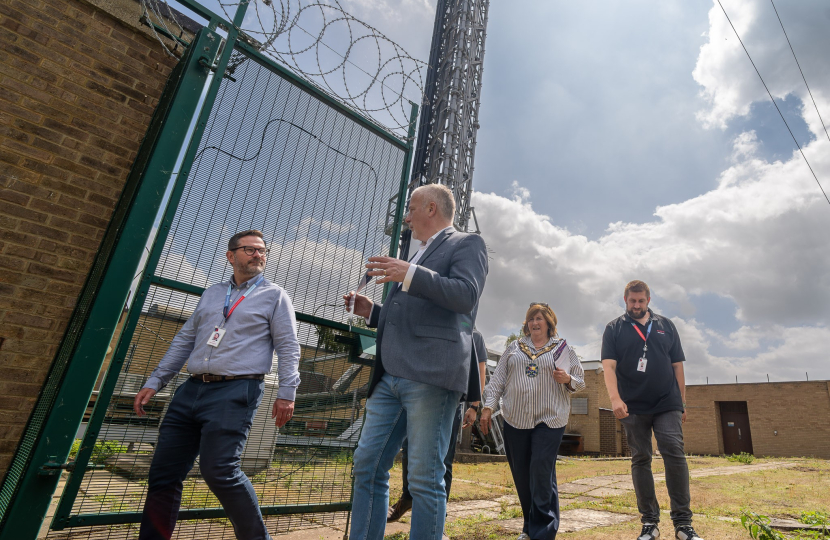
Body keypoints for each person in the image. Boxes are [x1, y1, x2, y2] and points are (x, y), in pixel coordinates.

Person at [133, 230, 301, 540]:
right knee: (163, 473)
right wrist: (156, 380)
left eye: (262, 251)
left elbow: (289, 346)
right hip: (191, 389)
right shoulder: (212, 293)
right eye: (250, 250)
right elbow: (185, 339)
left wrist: (287, 393)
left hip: (237, 390)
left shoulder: (275, 295)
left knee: (220, 471)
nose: (258, 255)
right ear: (231, 255)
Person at [344, 184, 488, 540]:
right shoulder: (417, 254)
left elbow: (465, 295)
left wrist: (409, 273)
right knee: (367, 465)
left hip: (431, 377)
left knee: (423, 478)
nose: (405, 217)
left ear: (431, 208)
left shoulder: (467, 244)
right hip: (390, 376)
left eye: (410, 208)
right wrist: (372, 311)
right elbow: (413, 313)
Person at [600, 280, 703, 540]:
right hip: (632, 405)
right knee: (641, 458)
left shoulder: (666, 325)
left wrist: (682, 402)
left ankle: (683, 524)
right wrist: (615, 399)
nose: (636, 305)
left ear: (648, 300)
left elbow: (677, 366)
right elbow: (609, 367)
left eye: (641, 301)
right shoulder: (614, 328)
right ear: (625, 299)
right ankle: (650, 523)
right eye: (632, 301)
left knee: (673, 450)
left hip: (667, 401)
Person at [479, 303, 585, 540]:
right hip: (516, 419)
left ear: (549, 322)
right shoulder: (514, 347)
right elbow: (498, 380)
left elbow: (580, 381)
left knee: (540, 467)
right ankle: (529, 526)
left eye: (539, 318)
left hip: (550, 418)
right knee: (523, 474)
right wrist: (488, 408)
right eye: (530, 319)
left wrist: (567, 378)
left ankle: (543, 532)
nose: (534, 323)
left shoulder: (562, 348)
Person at [386, 328, 489, 522]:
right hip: (421, 397)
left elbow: (481, 369)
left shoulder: (474, 335)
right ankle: (407, 498)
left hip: (452, 402)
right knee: (409, 448)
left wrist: (474, 405)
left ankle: (437, 515)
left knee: (444, 459)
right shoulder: (436, 323)